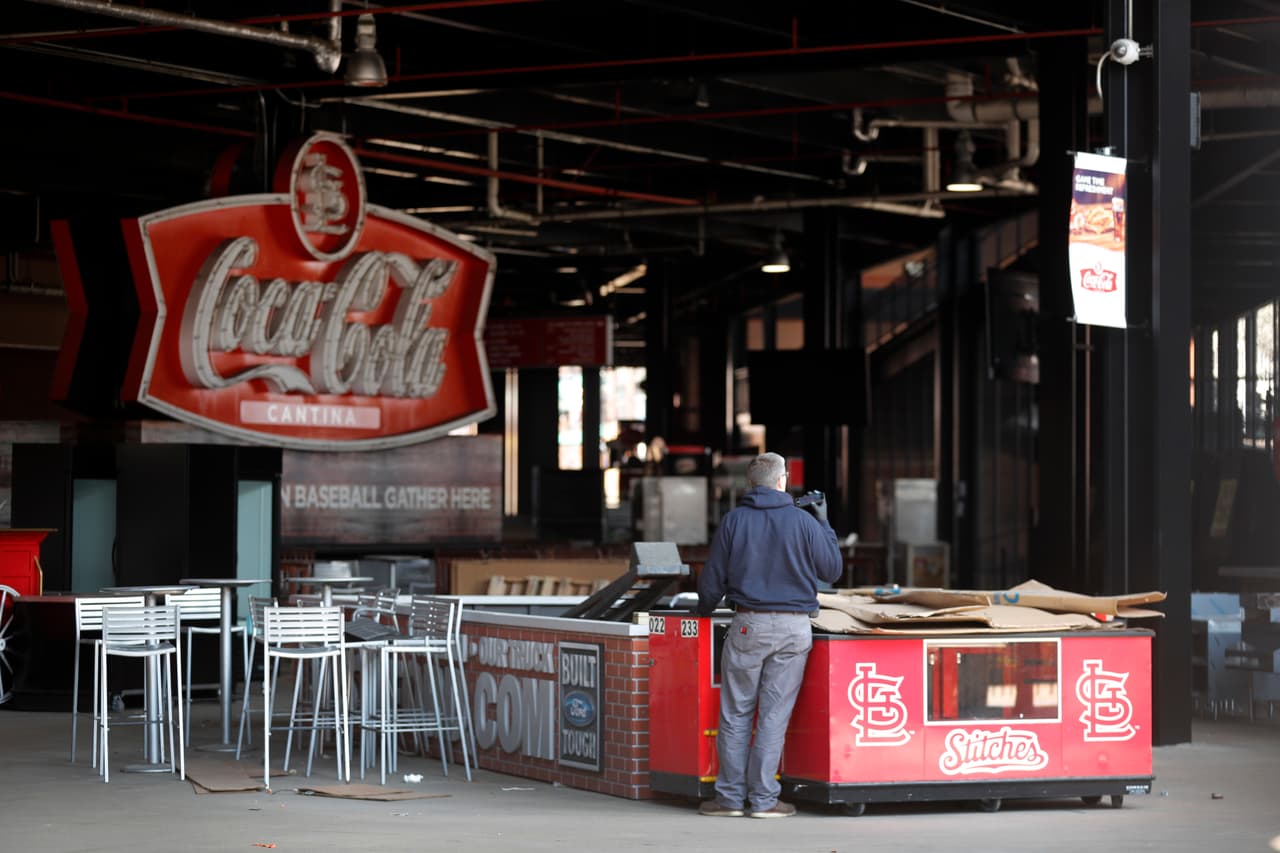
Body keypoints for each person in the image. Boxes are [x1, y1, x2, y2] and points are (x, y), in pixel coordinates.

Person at [695, 452, 843, 818]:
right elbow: (832, 570)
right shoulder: (804, 522)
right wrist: (824, 522)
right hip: (794, 628)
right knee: (773, 716)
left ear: (751, 483)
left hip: (749, 625)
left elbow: (712, 578)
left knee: (736, 714)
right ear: (783, 480)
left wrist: (702, 609)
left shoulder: (734, 521)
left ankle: (729, 800)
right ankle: (763, 801)